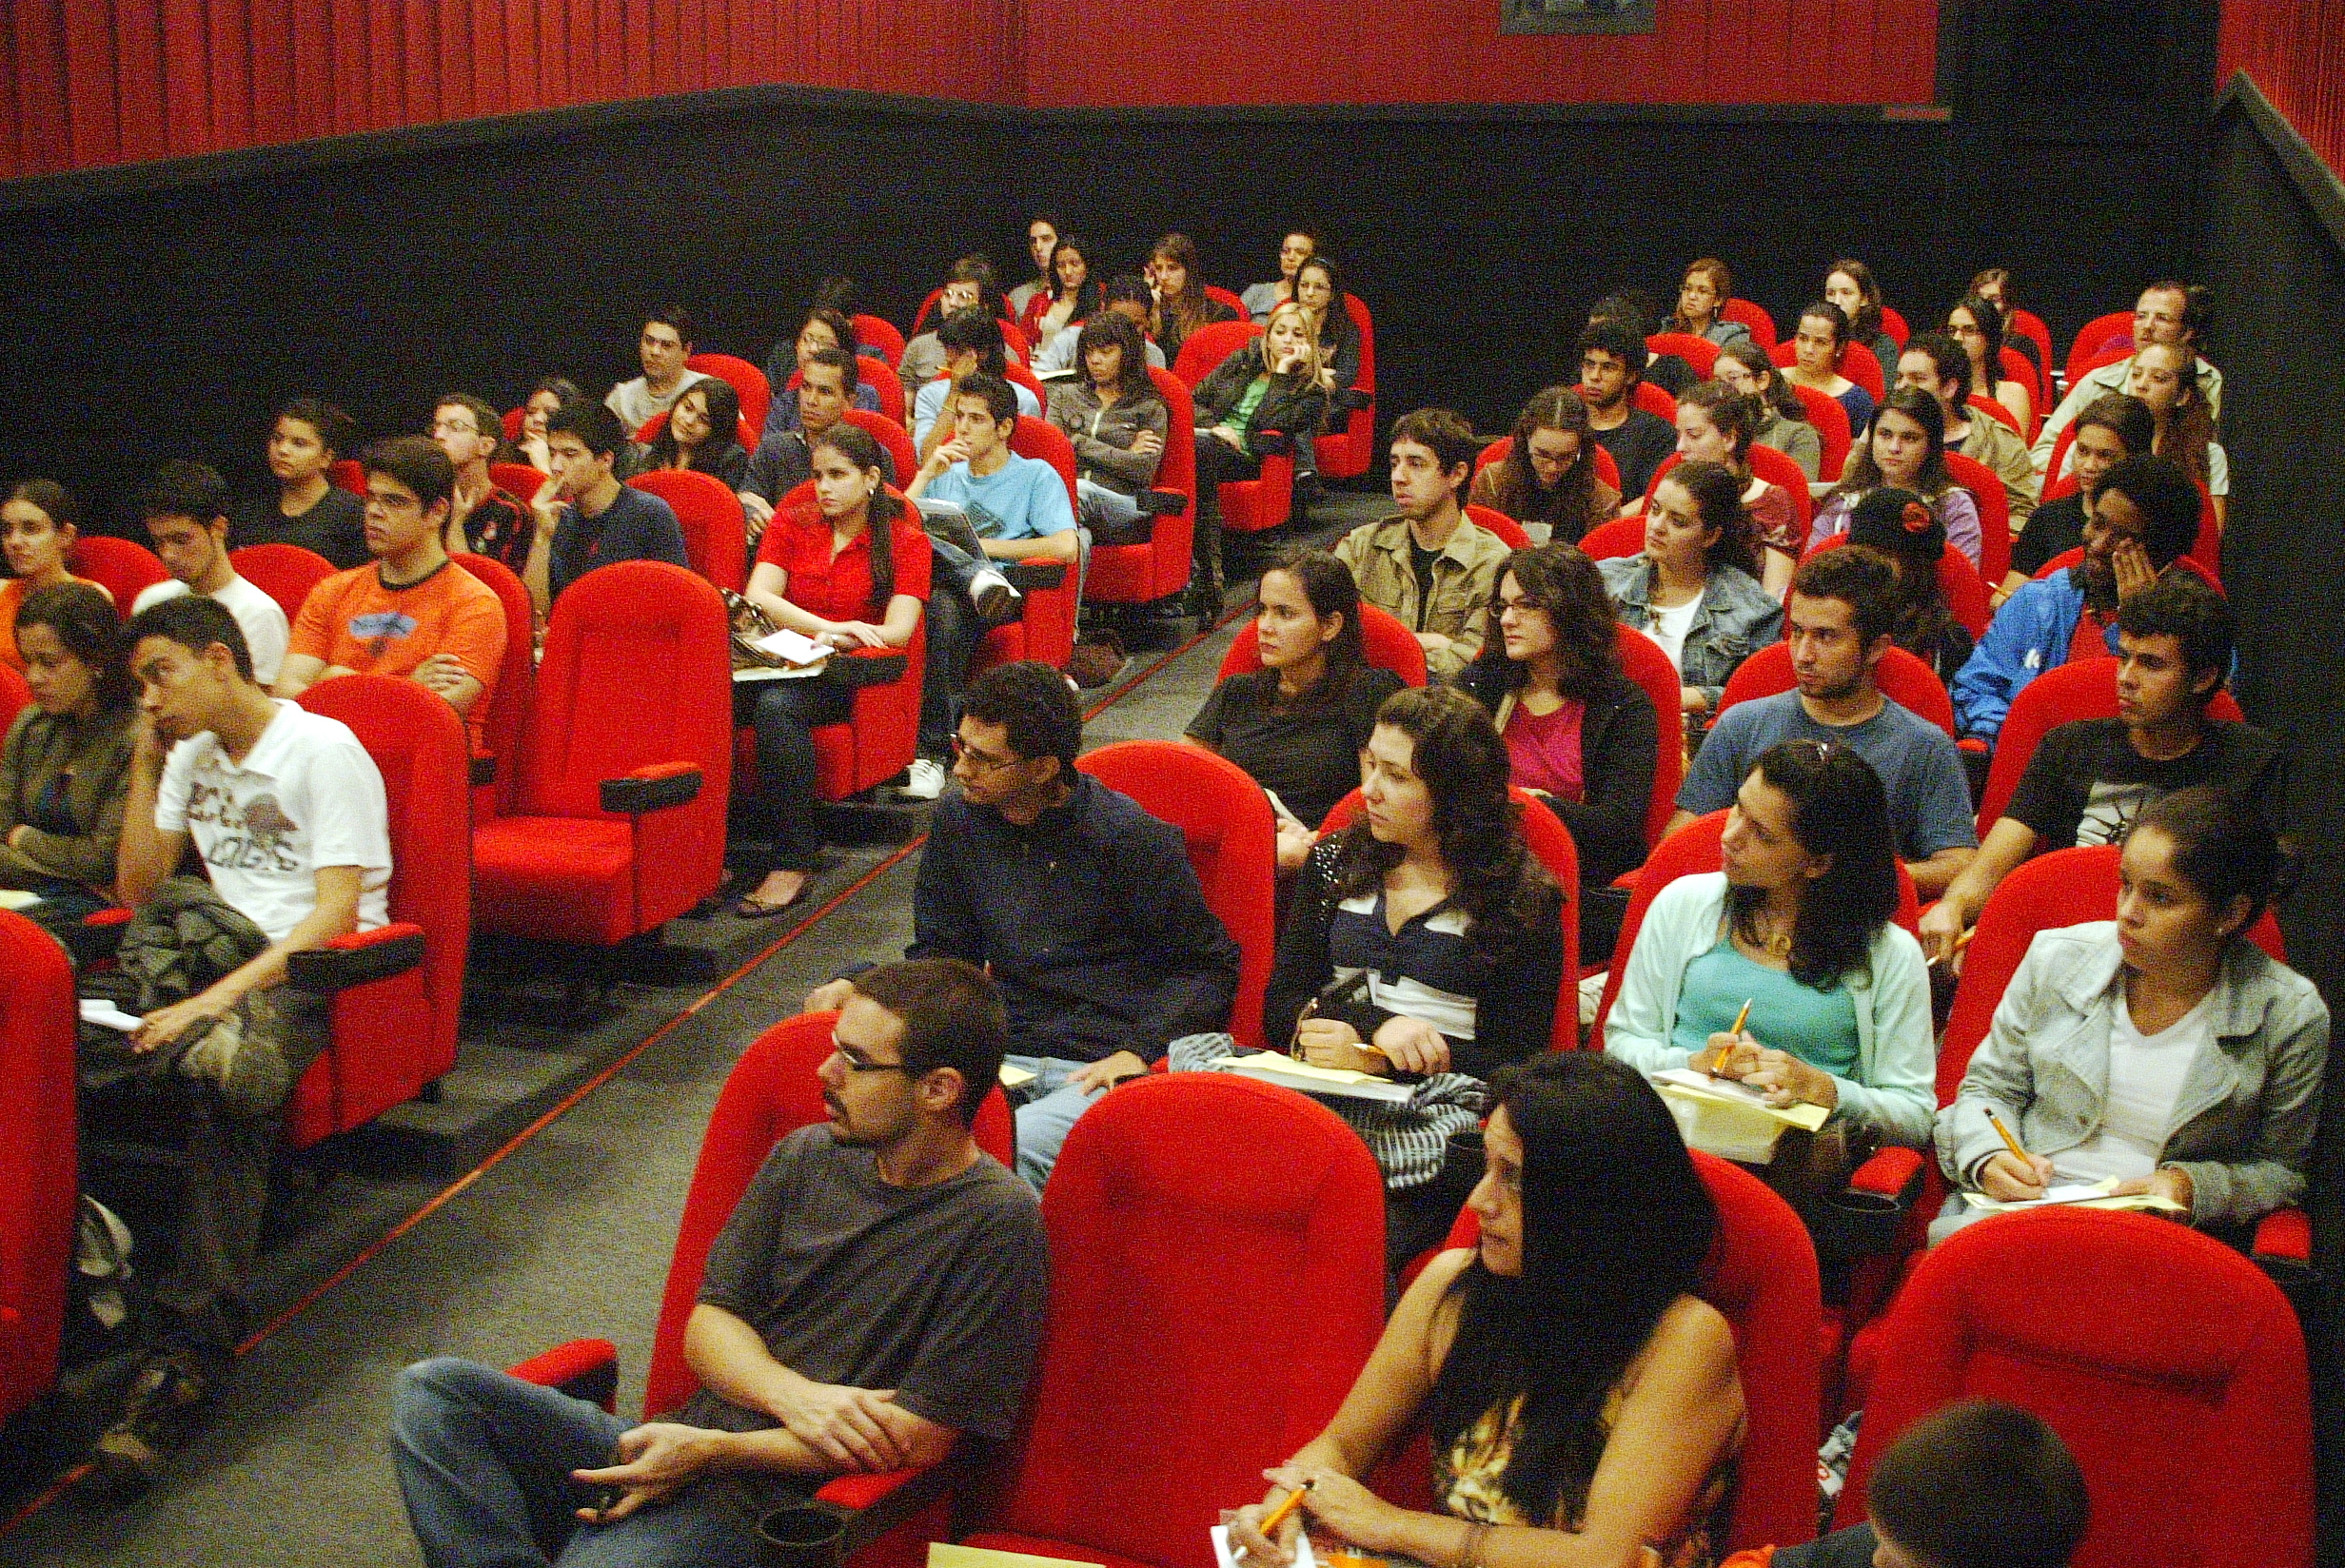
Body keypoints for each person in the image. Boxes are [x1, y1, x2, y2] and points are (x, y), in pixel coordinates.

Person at [392, 959, 1050, 1568]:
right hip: (676, 1441)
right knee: (434, 1393)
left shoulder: (998, 1222)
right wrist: (794, 1397)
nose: (825, 1073)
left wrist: (716, 1451)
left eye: (854, 1061)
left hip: (767, 1496)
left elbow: (920, 1437)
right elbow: (709, 1324)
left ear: (938, 1089)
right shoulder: (806, 1155)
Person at [1224, 1052, 1743, 1568]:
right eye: (1487, 1168)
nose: (1478, 1201)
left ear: (1589, 1202)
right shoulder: (1453, 1283)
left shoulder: (1685, 1338)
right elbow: (1340, 1448)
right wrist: (1285, 1505)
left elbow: (1608, 1558)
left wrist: (1391, 1525)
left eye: (1512, 1177)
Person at [93, 594, 390, 1492]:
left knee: (227, 1079)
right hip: (205, 951)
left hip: (311, 969)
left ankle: (186, 1358)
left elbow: (333, 913)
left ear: (221, 661)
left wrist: (204, 1007)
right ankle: (82, 1273)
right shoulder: (184, 751)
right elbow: (141, 891)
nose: (146, 697)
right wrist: (148, 768)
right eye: (137, 684)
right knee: (42, 1038)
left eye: (161, 676)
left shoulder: (323, 750)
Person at [808, 661, 1240, 1191]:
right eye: (959, 747)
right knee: (863, 1134)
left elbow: (1209, 967)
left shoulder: (1132, 840)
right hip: (1000, 1050)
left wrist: (1142, 1050)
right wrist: (866, 983)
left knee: (1007, 1155)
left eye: (983, 759)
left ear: (1042, 769)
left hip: (1100, 1060)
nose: (961, 769)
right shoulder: (960, 821)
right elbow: (945, 961)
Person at [1935, 787, 2327, 1243]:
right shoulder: (2057, 957)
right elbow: (1988, 1088)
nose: (2128, 913)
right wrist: (1989, 1154)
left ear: (2230, 914)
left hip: (2161, 1240)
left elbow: (2281, 1170)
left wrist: (2193, 1187)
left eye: (2159, 897)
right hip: (2024, 1216)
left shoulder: (2290, 1013)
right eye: (2126, 885)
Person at [1259, 686, 1565, 1265]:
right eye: (1371, 765)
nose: (1369, 789)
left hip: (1439, 1126)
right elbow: (1282, 1003)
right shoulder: (1334, 863)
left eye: (1396, 776)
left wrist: (1398, 1055)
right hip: (1323, 1094)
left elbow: (1519, 1061)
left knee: (1336, 1238)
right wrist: (1374, 1029)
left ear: (1452, 794)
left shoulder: (1518, 900)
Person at [1608, 740, 1937, 1170]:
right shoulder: (1684, 903)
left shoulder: (1890, 954)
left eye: (1760, 834)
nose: (1729, 835)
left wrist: (1826, 1091)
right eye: (1738, 807)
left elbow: (1914, 1115)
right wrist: (1691, 1062)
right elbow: (1620, 1045)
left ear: (1817, 864)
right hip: (1668, 1146)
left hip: (1795, 1165)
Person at [1921, 574, 2281, 966]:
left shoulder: (2249, 760)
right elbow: (1993, 863)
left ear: (2203, 678)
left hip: (2182, 957)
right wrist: (1953, 906)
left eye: (2151, 664)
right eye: (2124, 657)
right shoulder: (2070, 746)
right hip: (2063, 950)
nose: (2126, 678)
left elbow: (2257, 896)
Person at [1672, 549, 1977, 898]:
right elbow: (1681, 841)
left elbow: (1959, 864)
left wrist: (1847, 878)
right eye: (1798, 632)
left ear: (1876, 649)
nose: (1803, 654)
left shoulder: (1923, 746)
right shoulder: (1742, 724)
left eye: (1826, 637)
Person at [735, 423, 931, 914]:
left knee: (778, 708)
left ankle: (792, 859)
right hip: (784, 655)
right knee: (709, 696)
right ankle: (703, 851)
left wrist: (837, 638)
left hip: (846, 673)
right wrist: (827, 625)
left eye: (837, 475)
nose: (822, 486)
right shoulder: (794, 521)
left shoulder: (906, 540)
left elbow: (899, 629)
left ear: (870, 479)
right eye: (818, 475)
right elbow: (758, 595)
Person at [1458, 545, 1659, 955]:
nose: (1509, 619)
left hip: (1569, 881)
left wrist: (1539, 808)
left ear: (1569, 611)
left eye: (1527, 605)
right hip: (1473, 864)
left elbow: (1619, 829)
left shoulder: (1623, 705)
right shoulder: (1485, 683)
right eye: (1503, 606)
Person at [276, 437, 508, 755]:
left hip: (421, 768)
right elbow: (288, 695)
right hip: (333, 760)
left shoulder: (475, 603)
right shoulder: (331, 591)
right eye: (371, 497)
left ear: (437, 512)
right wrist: (409, 684)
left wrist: (334, 681)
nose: (373, 512)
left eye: (394, 502)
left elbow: (436, 712)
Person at [905, 374, 1079, 795]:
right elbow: (898, 528)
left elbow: (1065, 546)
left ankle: (931, 751)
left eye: (976, 419)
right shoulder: (947, 473)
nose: (962, 428)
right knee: (937, 597)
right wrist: (927, 473)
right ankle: (970, 573)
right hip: (946, 589)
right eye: (959, 417)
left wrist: (984, 547)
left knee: (943, 611)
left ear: (1004, 427)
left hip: (1004, 592)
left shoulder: (1035, 475)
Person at [1953, 455, 2204, 743]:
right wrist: (2012, 739)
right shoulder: (2038, 601)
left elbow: (2167, 727)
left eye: (2122, 538)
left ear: (2160, 555)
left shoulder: (2195, 627)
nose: (2097, 545)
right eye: (2097, 524)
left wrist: (2137, 619)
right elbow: (1976, 688)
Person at [1186, 547, 1405, 872]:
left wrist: (1317, 842)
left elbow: (1378, 803)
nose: (1265, 626)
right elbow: (1184, 783)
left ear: (1329, 626)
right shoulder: (1237, 691)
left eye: (1284, 613)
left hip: (1326, 853)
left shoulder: (1370, 691)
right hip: (1237, 835)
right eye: (1262, 611)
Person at [1735, 1401, 2088, 1568]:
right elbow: (1769, 1564)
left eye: (1896, 1566)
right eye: (1879, 1540)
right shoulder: (1890, 1542)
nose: (1875, 1561)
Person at [0, 582, 136, 952]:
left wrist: (24, 838)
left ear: (96, 661)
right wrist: (29, 848)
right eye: (29, 662)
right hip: (26, 892)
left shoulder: (137, 735)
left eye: (50, 662)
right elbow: (1, 831)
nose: (34, 678)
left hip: (95, 914)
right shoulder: (32, 724)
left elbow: (103, 861)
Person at [1599, 460, 1783, 730]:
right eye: (1655, 509)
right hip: (1611, 731)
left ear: (1711, 536)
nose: (1657, 526)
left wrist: (1683, 697)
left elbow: (1759, 697)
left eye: (1678, 521)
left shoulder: (1754, 609)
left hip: (1697, 738)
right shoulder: (1603, 582)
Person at [1334, 408, 1509, 681]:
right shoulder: (1359, 547)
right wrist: (1424, 644)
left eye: (1416, 464)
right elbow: (1329, 641)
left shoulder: (1493, 562)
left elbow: (1472, 666)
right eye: (1394, 463)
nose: (1398, 477)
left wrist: (1388, 652)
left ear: (1456, 475)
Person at [1190, 302, 1329, 617]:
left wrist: (1281, 374)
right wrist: (1216, 427)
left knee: (1200, 451)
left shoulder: (1310, 391)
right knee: (1192, 449)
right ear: (1267, 336)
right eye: (1280, 332)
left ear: (1309, 343)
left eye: (1297, 334)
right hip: (1211, 441)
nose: (1287, 340)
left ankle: (1208, 574)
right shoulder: (1241, 362)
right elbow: (1194, 398)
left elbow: (1272, 422)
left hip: (1249, 457)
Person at [2031, 282, 2224, 473]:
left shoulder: (2206, 380)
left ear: (2186, 332)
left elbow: (2199, 453)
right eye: (2141, 316)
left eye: (2162, 319)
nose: (2147, 326)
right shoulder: (2098, 379)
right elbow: (2042, 453)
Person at [131, 461, 292, 687]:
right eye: (159, 542)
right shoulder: (151, 601)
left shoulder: (258, 614)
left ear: (218, 528)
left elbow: (258, 712)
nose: (168, 554)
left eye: (181, 540)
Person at [1806, 386, 1984, 570]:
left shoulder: (1954, 506)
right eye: (1885, 434)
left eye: (1909, 438)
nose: (1894, 447)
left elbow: (1961, 585)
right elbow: (1811, 575)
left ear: (1931, 446)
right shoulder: (1842, 501)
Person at [536, 402, 690, 606]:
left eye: (570, 455)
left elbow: (678, 600)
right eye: (552, 453)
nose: (555, 466)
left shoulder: (650, 514)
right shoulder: (556, 517)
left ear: (605, 460)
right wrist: (541, 537)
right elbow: (536, 615)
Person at [2004, 392, 2153, 600]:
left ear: (2134, 459)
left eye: (2105, 456)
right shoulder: (2048, 517)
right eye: (2083, 451)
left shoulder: (2148, 526)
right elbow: (2007, 594)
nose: (2089, 466)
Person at [1657, 380, 1802, 594]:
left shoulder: (1771, 503)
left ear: (1729, 438)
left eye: (1693, 435)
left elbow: (1774, 600)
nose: (1680, 447)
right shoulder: (1672, 485)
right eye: (1679, 435)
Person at [1046, 311, 1169, 543]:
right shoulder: (1065, 395)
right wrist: (1122, 455)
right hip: (1071, 498)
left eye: (1105, 352)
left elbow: (1141, 469)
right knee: (1079, 537)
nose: (1095, 360)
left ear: (1127, 354)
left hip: (1123, 503)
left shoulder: (1149, 406)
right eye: (1089, 351)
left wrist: (1076, 442)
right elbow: (1051, 454)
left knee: (1080, 491)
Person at [1897, 330, 2035, 535]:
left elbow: (2022, 516)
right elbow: (1851, 492)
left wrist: (1966, 530)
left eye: (1918, 379)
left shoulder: (1998, 439)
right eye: (1899, 378)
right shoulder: (1882, 431)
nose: (1903, 387)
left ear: (1949, 387)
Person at [739, 346, 875, 539]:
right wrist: (752, 513)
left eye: (825, 392)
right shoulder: (774, 448)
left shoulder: (872, 456)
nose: (810, 400)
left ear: (849, 401)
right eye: (806, 387)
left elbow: (878, 525)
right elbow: (747, 498)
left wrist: (781, 522)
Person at [1843, 490, 1973, 687]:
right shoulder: (1825, 622)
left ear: (1914, 567)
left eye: (1883, 557)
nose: (1870, 568)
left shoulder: (1946, 642)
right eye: (1861, 556)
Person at [1468, 385, 1620, 547]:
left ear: (1581, 450)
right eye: (1543, 455)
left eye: (1566, 457)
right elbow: (1475, 548)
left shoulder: (1602, 500)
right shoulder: (1493, 482)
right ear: (1525, 442)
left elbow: (1604, 565)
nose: (1553, 468)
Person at [230, 396, 369, 567]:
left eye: (299, 444)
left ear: (325, 458)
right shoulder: (249, 513)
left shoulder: (354, 515)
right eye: (277, 438)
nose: (282, 450)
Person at [0, 480, 109, 673]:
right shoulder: (1, 592)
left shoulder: (90, 596)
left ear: (65, 535)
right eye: (7, 530)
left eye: (30, 529)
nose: (14, 541)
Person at [2122, 340, 2226, 529]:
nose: (2141, 385)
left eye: (2159, 378)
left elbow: (2210, 536)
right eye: (2136, 375)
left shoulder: (2210, 455)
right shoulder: (2099, 441)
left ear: (2182, 396)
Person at [910, 309, 1042, 457]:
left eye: (958, 351)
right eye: (946, 349)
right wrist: (955, 392)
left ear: (983, 353)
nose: (949, 358)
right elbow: (925, 458)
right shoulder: (929, 395)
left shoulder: (1024, 400)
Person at [429, 391, 537, 574]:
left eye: (455, 427)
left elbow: (483, 593)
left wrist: (455, 523)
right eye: (436, 426)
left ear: (485, 445)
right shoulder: (424, 499)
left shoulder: (511, 513)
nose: (439, 435)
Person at [1577, 318, 1677, 500]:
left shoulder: (1656, 434)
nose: (1594, 376)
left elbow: (1652, 498)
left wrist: (1604, 523)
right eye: (1589, 364)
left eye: (1608, 368)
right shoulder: (1563, 424)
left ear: (1631, 376)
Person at [759, 305, 881, 442]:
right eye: (807, 339)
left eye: (824, 343)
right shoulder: (784, 404)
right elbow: (769, 452)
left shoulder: (865, 397)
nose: (812, 349)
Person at [1715, 342, 1823, 482]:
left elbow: (1798, 494)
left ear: (1762, 380)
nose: (1723, 389)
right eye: (1718, 382)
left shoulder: (1798, 434)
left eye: (1733, 378)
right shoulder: (1714, 431)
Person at [900, 257, 1006, 399]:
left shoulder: (1000, 352)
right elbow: (905, 415)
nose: (953, 303)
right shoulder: (918, 346)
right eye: (948, 294)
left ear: (984, 306)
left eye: (964, 296)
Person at [1032, 274, 1167, 375]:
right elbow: (1038, 382)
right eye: (1117, 322)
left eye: (1134, 325)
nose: (1124, 333)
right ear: (1102, 310)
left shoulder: (1154, 355)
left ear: (1148, 320)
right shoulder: (1068, 340)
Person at [603, 306, 708, 433]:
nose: (655, 352)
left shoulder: (707, 391)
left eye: (666, 345)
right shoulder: (621, 399)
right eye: (649, 341)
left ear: (686, 351)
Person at [1783, 302, 1876, 441]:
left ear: (1839, 348)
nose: (1808, 349)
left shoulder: (1857, 400)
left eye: (1820, 342)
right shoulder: (1772, 381)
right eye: (1802, 338)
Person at [1945, 292, 2034, 435]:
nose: (1957, 338)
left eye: (1969, 330)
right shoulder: (1937, 391)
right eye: (1952, 330)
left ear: (1989, 337)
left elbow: (2014, 454)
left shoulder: (2012, 394)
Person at [1146, 231, 1238, 366]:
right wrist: (1150, 311)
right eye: (1159, 269)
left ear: (1189, 271)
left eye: (1172, 268)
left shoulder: (1219, 314)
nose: (1164, 276)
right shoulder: (1149, 312)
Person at [641, 376, 750, 491]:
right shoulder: (660, 436)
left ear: (718, 430)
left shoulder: (731, 461)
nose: (689, 421)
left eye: (703, 420)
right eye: (687, 408)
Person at [1294, 253, 1363, 397]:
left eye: (1319, 287)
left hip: (1326, 402)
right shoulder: (1285, 323)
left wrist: (1306, 375)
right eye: (1304, 285)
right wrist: (1322, 373)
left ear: (1332, 294)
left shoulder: (1347, 331)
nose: (1309, 293)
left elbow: (1346, 377)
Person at [1019, 233, 1102, 347]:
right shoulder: (1038, 302)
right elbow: (1022, 344)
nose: (1067, 271)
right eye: (1061, 265)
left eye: (1074, 264)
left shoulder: (1101, 303)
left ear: (1087, 266)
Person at [1823, 259, 1900, 372]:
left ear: (1864, 299)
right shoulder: (1813, 338)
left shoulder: (1882, 346)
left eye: (1846, 293)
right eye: (1831, 293)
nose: (1836, 301)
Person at [1667, 257, 1753, 346]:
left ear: (1718, 300)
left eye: (1702, 291)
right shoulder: (1669, 327)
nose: (1691, 296)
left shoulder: (1732, 334)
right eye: (1687, 289)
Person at [513, 375, 586, 475]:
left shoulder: (579, 460)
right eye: (530, 412)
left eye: (550, 413)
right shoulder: (507, 456)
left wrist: (543, 468)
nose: (537, 419)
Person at [1241, 228, 1316, 322]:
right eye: (1286, 251)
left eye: (1300, 253)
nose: (1290, 257)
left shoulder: (1314, 297)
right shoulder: (1256, 292)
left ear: (1312, 259)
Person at [1007, 212, 1061, 316]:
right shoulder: (1019, 297)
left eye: (1046, 239)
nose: (1038, 247)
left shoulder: (1082, 292)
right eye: (1033, 241)